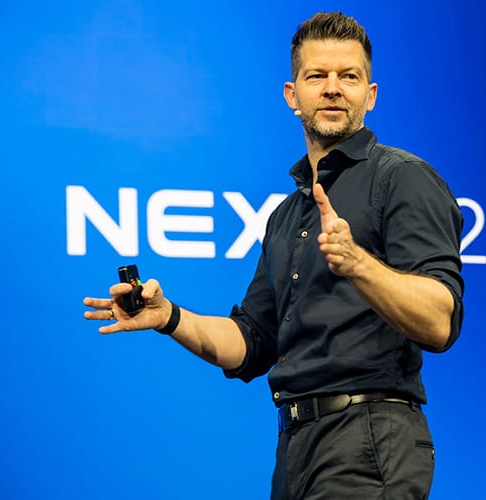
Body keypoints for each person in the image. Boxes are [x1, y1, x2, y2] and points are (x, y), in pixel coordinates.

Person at [83, 11, 464, 499]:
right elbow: (251, 341)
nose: (333, 88)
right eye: (317, 76)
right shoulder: (286, 215)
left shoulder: (402, 179)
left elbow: (439, 320)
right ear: (292, 94)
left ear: (370, 95)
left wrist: (358, 264)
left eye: (349, 77)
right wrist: (169, 317)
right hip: (295, 447)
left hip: (371, 439)